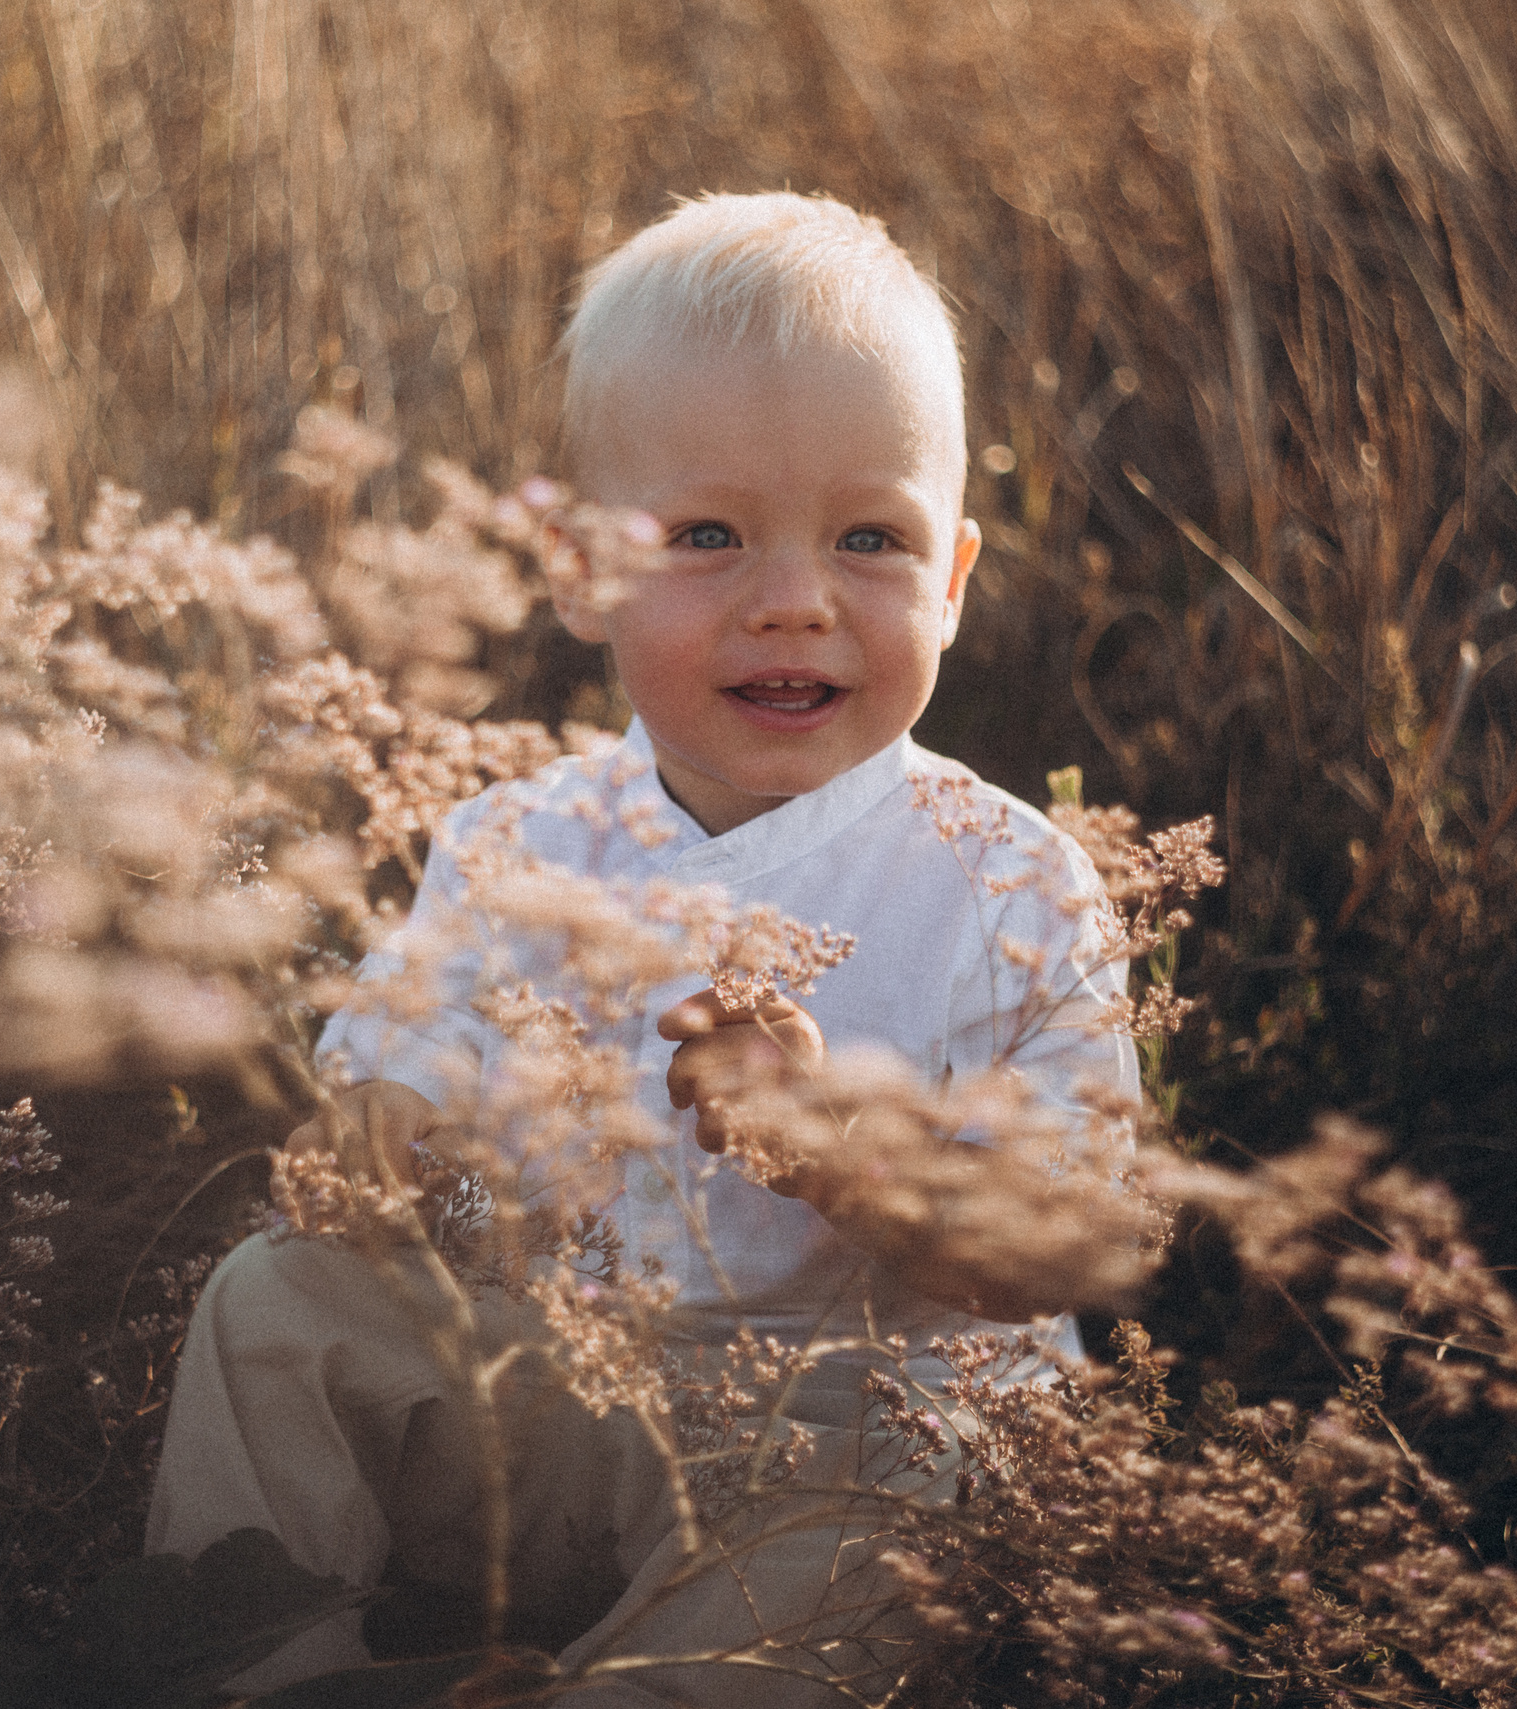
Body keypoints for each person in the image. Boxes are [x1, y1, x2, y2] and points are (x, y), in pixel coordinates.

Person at [144, 191, 1139, 1704]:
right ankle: (274, 1663)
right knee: (275, 1302)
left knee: (932, 1474)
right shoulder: (518, 846)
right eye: (708, 536)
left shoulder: (1011, 883)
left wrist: (845, 1149)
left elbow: (1074, 1242)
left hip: (840, 1434)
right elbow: (364, 1131)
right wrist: (384, 1146)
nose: (794, 597)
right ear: (578, 564)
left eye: (871, 538)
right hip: (564, 1410)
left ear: (952, 575)